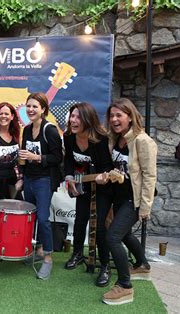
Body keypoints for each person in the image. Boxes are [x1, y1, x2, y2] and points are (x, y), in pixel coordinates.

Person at [102, 98, 157, 305]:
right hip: (119, 194)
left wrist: (145, 206)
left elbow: (150, 176)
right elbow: (123, 168)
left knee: (113, 237)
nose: (115, 119)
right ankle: (142, 265)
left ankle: (125, 286)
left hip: (133, 198)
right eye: (112, 115)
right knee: (123, 234)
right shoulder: (115, 139)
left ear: (130, 116)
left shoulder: (142, 141)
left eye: (119, 115)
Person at [63, 102, 114, 287]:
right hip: (82, 186)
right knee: (79, 220)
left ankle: (105, 265)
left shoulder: (100, 140)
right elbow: (68, 160)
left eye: (77, 117)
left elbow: (108, 167)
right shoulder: (68, 136)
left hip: (102, 189)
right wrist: (69, 178)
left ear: (87, 119)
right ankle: (77, 254)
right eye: (72, 116)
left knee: (99, 226)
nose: (73, 120)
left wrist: (103, 176)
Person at [18, 92, 62, 280]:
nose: (31, 109)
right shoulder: (27, 129)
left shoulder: (50, 130)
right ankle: (37, 250)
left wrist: (36, 157)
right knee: (32, 217)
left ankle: (48, 258)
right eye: (28, 106)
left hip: (45, 180)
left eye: (35, 106)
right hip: (29, 179)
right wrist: (21, 173)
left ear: (43, 109)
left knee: (43, 218)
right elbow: (25, 157)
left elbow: (58, 157)